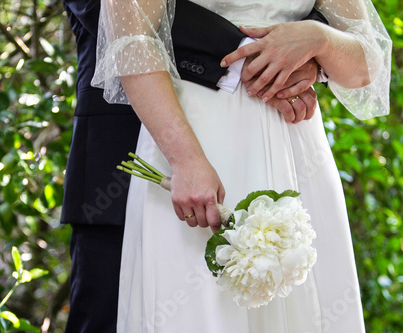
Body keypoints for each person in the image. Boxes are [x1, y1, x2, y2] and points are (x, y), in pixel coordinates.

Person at [89, 0, 391, 332]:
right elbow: (133, 42)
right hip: (195, 130)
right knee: (196, 303)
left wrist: (318, 40)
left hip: (297, 147)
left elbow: (365, 64)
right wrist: (186, 160)